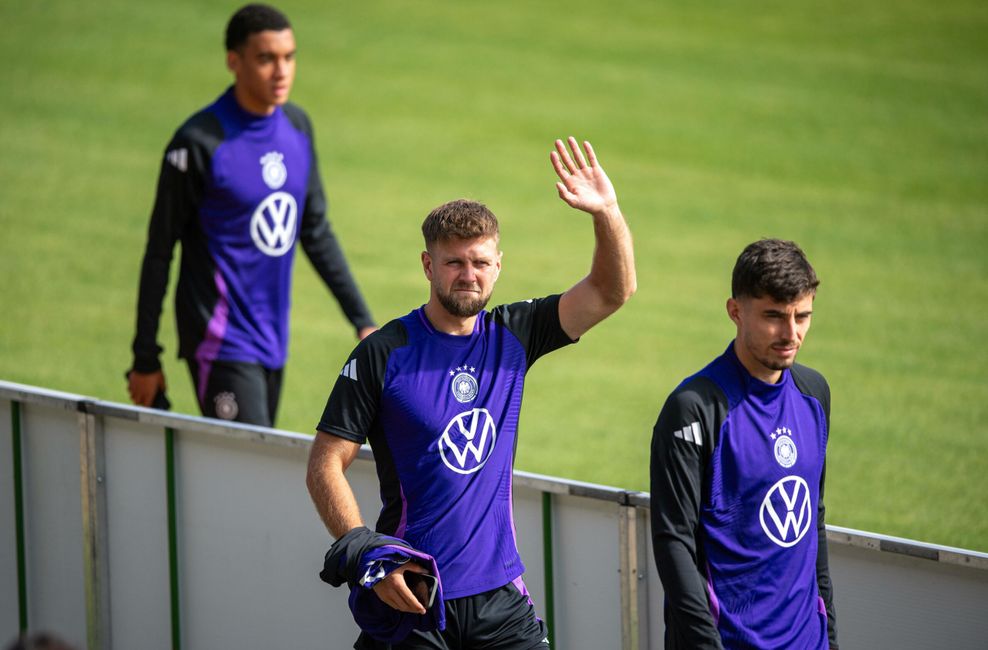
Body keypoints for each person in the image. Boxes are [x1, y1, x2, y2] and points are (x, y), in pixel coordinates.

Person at [306, 137, 636, 649]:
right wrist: (366, 550)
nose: (469, 275)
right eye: (454, 262)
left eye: (480, 262)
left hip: (500, 599)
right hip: (415, 594)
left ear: (499, 265)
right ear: (427, 265)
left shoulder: (516, 334)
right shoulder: (384, 353)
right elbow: (325, 463)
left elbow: (612, 291)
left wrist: (606, 212)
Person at [127, 3, 376, 426]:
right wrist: (145, 357)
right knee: (248, 472)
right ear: (233, 61)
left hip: (272, 339)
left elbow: (313, 230)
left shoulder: (297, 127)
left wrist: (362, 321)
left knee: (251, 466)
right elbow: (159, 251)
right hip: (219, 339)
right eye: (266, 59)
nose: (281, 71)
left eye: (289, 57)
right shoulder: (197, 143)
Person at [649, 239, 838, 649]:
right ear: (735, 311)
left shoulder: (814, 394)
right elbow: (673, 542)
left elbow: (813, 525)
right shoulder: (693, 409)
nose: (791, 334)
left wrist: (831, 635)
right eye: (773, 316)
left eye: (802, 316)